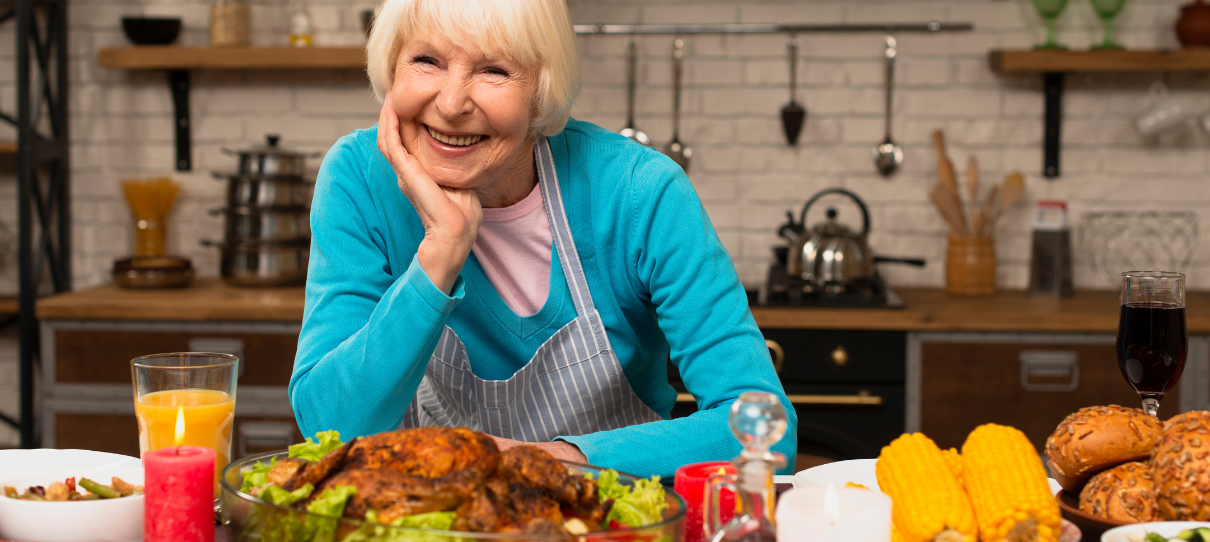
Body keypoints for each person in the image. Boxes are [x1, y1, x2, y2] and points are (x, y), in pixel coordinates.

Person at [289, 0, 797, 478]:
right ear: (392, 66)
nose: (450, 103)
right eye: (426, 60)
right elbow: (331, 431)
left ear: (540, 91)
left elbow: (764, 429)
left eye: (494, 70)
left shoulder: (639, 193)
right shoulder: (360, 180)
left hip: (607, 524)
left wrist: (554, 461)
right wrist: (441, 252)